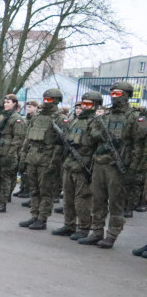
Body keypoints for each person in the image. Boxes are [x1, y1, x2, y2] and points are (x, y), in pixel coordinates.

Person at [79, 81, 140, 248]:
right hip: (99, 164)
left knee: (116, 203)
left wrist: (134, 169)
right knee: (97, 200)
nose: (114, 97)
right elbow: (90, 137)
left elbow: (138, 145)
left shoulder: (133, 117)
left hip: (118, 167)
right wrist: (101, 136)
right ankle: (96, 231)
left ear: (127, 95)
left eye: (118, 93)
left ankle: (111, 234)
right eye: (112, 93)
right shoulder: (104, 116)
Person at [18, 88, 67, 232]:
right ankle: (34, 215)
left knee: (45, 191)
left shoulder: (60, 118)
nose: (46, 102)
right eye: (45, 99)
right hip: (33, 156)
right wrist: (23, 156)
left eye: (49, 99)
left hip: (47, 158)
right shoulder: (37, 116)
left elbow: (61, 144)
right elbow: (28, 138)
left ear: (57, 100)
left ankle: (42, 218)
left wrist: (54, 162)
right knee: (34, 189)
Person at [53, 92, 100, 239]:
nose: (84, 107)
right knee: (68, 197)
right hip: (70, 163)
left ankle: (84, 227)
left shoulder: (96, 122)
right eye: (83, 104)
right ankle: (69, 225)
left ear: (95, 105)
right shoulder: (75, 120)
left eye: (88, 104)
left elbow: (97, 143)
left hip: (83, 164)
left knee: (82, 199)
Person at [0, 93, 26, 212]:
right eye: (5, 102)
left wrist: (11, 154)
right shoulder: (1, 117)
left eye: (8, 102)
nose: (5, 104)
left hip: (8, 153)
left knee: (6, 179)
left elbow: (18, 139)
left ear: (14, 104)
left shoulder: (17, 119)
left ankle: (2, 203)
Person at [15, 101, 39, 198]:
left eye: (30, 107)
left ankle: (28, 190)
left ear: (36, 108)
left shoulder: (36, 119)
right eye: (27, 107)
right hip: (24, 145)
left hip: (31, 147)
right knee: (23, 169)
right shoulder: (26, 119)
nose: (28, 109)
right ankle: (23, 188)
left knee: (29, 171)